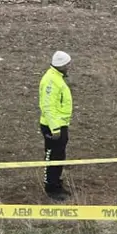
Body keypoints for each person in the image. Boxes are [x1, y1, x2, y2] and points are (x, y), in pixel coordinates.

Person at [39, 51, 74, 200]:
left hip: (60, 125)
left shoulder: (56, 78)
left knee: (59, 155)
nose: (69, 67)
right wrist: (55, 129)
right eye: (67, 64)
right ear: (61, 65)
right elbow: (48, 107)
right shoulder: (51, 81)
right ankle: (51, 189)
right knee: (52, 156)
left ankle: (57, 184)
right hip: (54, 127)